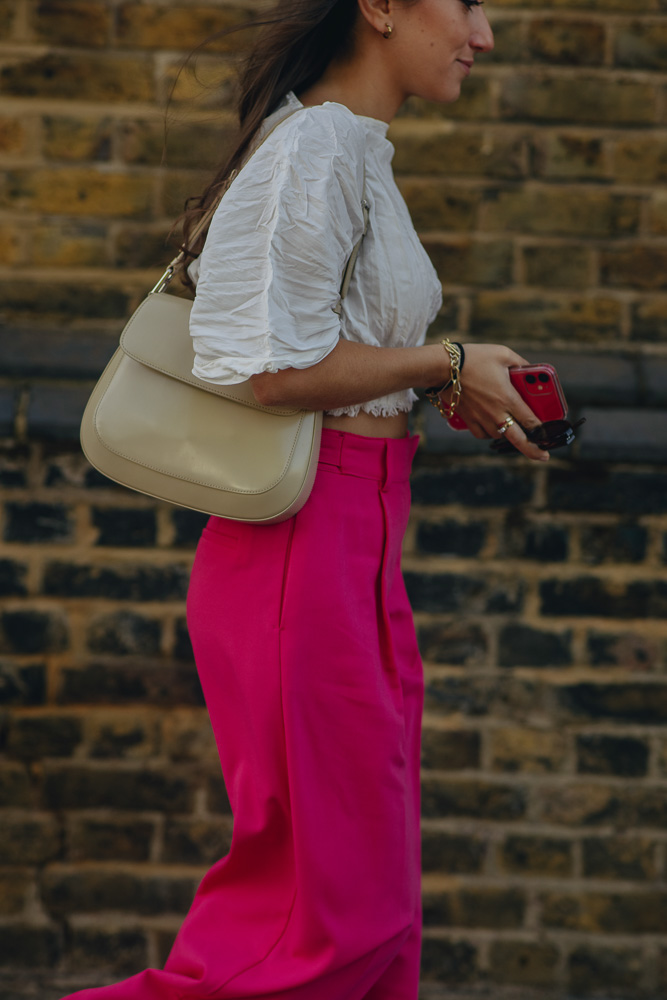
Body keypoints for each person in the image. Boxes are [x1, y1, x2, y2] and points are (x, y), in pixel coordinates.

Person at [63, 1, 550, 998]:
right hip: (300, 545)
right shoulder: (318, 144)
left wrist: (438, 382)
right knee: (316, 929)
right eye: (463, 4)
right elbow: (272, 368)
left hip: (357, 539)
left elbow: (327, 354)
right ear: (378, 5)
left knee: (374, 918)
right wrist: (446, 357)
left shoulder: (357, 153)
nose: (484, 33)